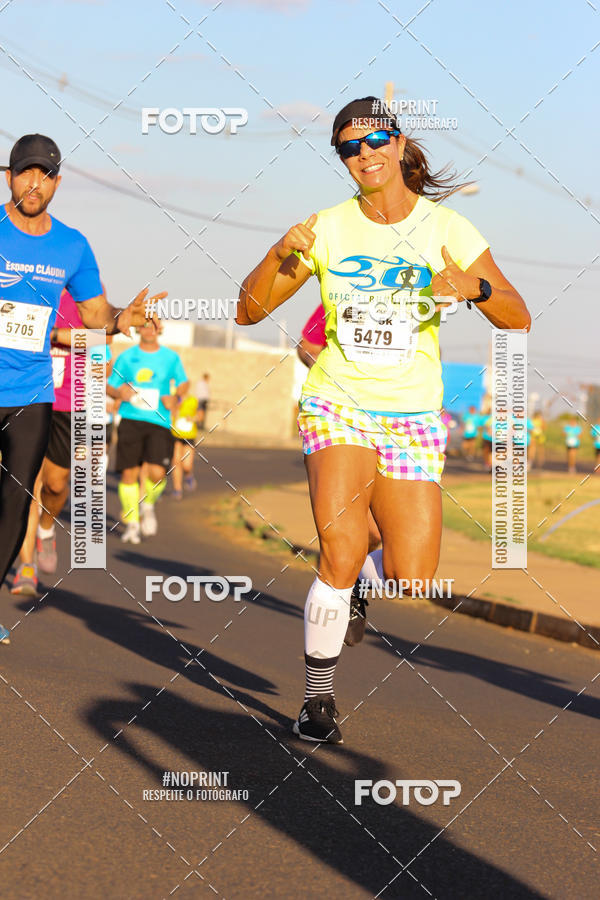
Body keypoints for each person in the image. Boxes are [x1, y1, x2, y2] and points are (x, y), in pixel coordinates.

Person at [237, 96, 530, 743]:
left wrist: (474, 289)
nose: (363, 154)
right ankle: (317, 699)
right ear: (341, 158)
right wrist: (280, 254)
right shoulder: (326, 228)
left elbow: (518, 315)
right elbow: (248, 311)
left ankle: (365, 578)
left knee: (412, 574)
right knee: (337, 549)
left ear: (398, 145)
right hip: (337, 402)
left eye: (373, 142)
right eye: (348, 147)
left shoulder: (447, 229)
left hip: (411, 416)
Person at [0, 133, 162, 644]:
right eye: (25, 172)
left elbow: (94, 315)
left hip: (30, 394)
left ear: (57, 183)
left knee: (15, 501)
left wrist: (120, 320)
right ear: (8, 177)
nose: (34, 183)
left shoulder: (71, 245)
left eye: (44, 175)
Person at [11, 291, 111, 594]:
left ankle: (46, 527)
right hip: (28, 398)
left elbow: (101, 343)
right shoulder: (24, 293)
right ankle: (25, 568)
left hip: (70, 405)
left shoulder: (86, 297)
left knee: (55, 484)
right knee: (27, 486)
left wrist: (55, 335)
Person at [297, 304, 381, 646]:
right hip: (339, 420)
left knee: (375, 534)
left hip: (398, 422)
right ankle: (338, 592)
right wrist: (338, 378)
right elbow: (307, 346)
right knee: (345, 529)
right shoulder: (343, 292)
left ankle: (356, 580)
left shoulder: (418, 297)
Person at [107, 322, 189, 543]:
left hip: (159, 421)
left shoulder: (171, 357)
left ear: (160, 329)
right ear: (138, 329)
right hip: (131, 418)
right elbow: (109, 384)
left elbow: (183, 383)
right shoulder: (127, 357)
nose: (149, 329)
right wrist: (118, 393)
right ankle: (132, 524)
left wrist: (176, 398)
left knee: (157, 473)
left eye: (154, 325)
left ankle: (149, 505)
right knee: (128, 474)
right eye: (144, 325)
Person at [170, 390, 200, 499]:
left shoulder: (193, 400)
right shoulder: (173, 398)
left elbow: (201, 416)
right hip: (175, 434)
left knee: (187, 465)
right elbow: (169, 413)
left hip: (189, 435)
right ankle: (177, 489)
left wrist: (193, 418)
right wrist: (176, 407)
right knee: (176, 461)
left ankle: (188, 475)